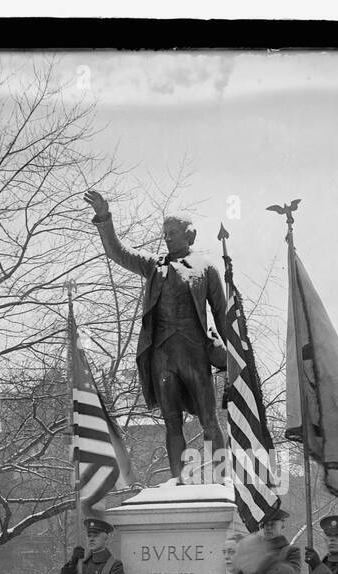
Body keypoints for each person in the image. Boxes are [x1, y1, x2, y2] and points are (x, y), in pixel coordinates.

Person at [83, 188, 229, 482]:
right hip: (161, 355)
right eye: (165, 232)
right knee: (171, 422)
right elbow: (118, 252)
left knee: (209, 419)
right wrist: (104, 218)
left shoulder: (207, 268)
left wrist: (233, 357)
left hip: (195, 353)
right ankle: (180, 481)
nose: (167, 237)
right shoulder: (153, 266)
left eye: (173, 231)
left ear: (191, 235)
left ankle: (221, 478)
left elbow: (223, 317)